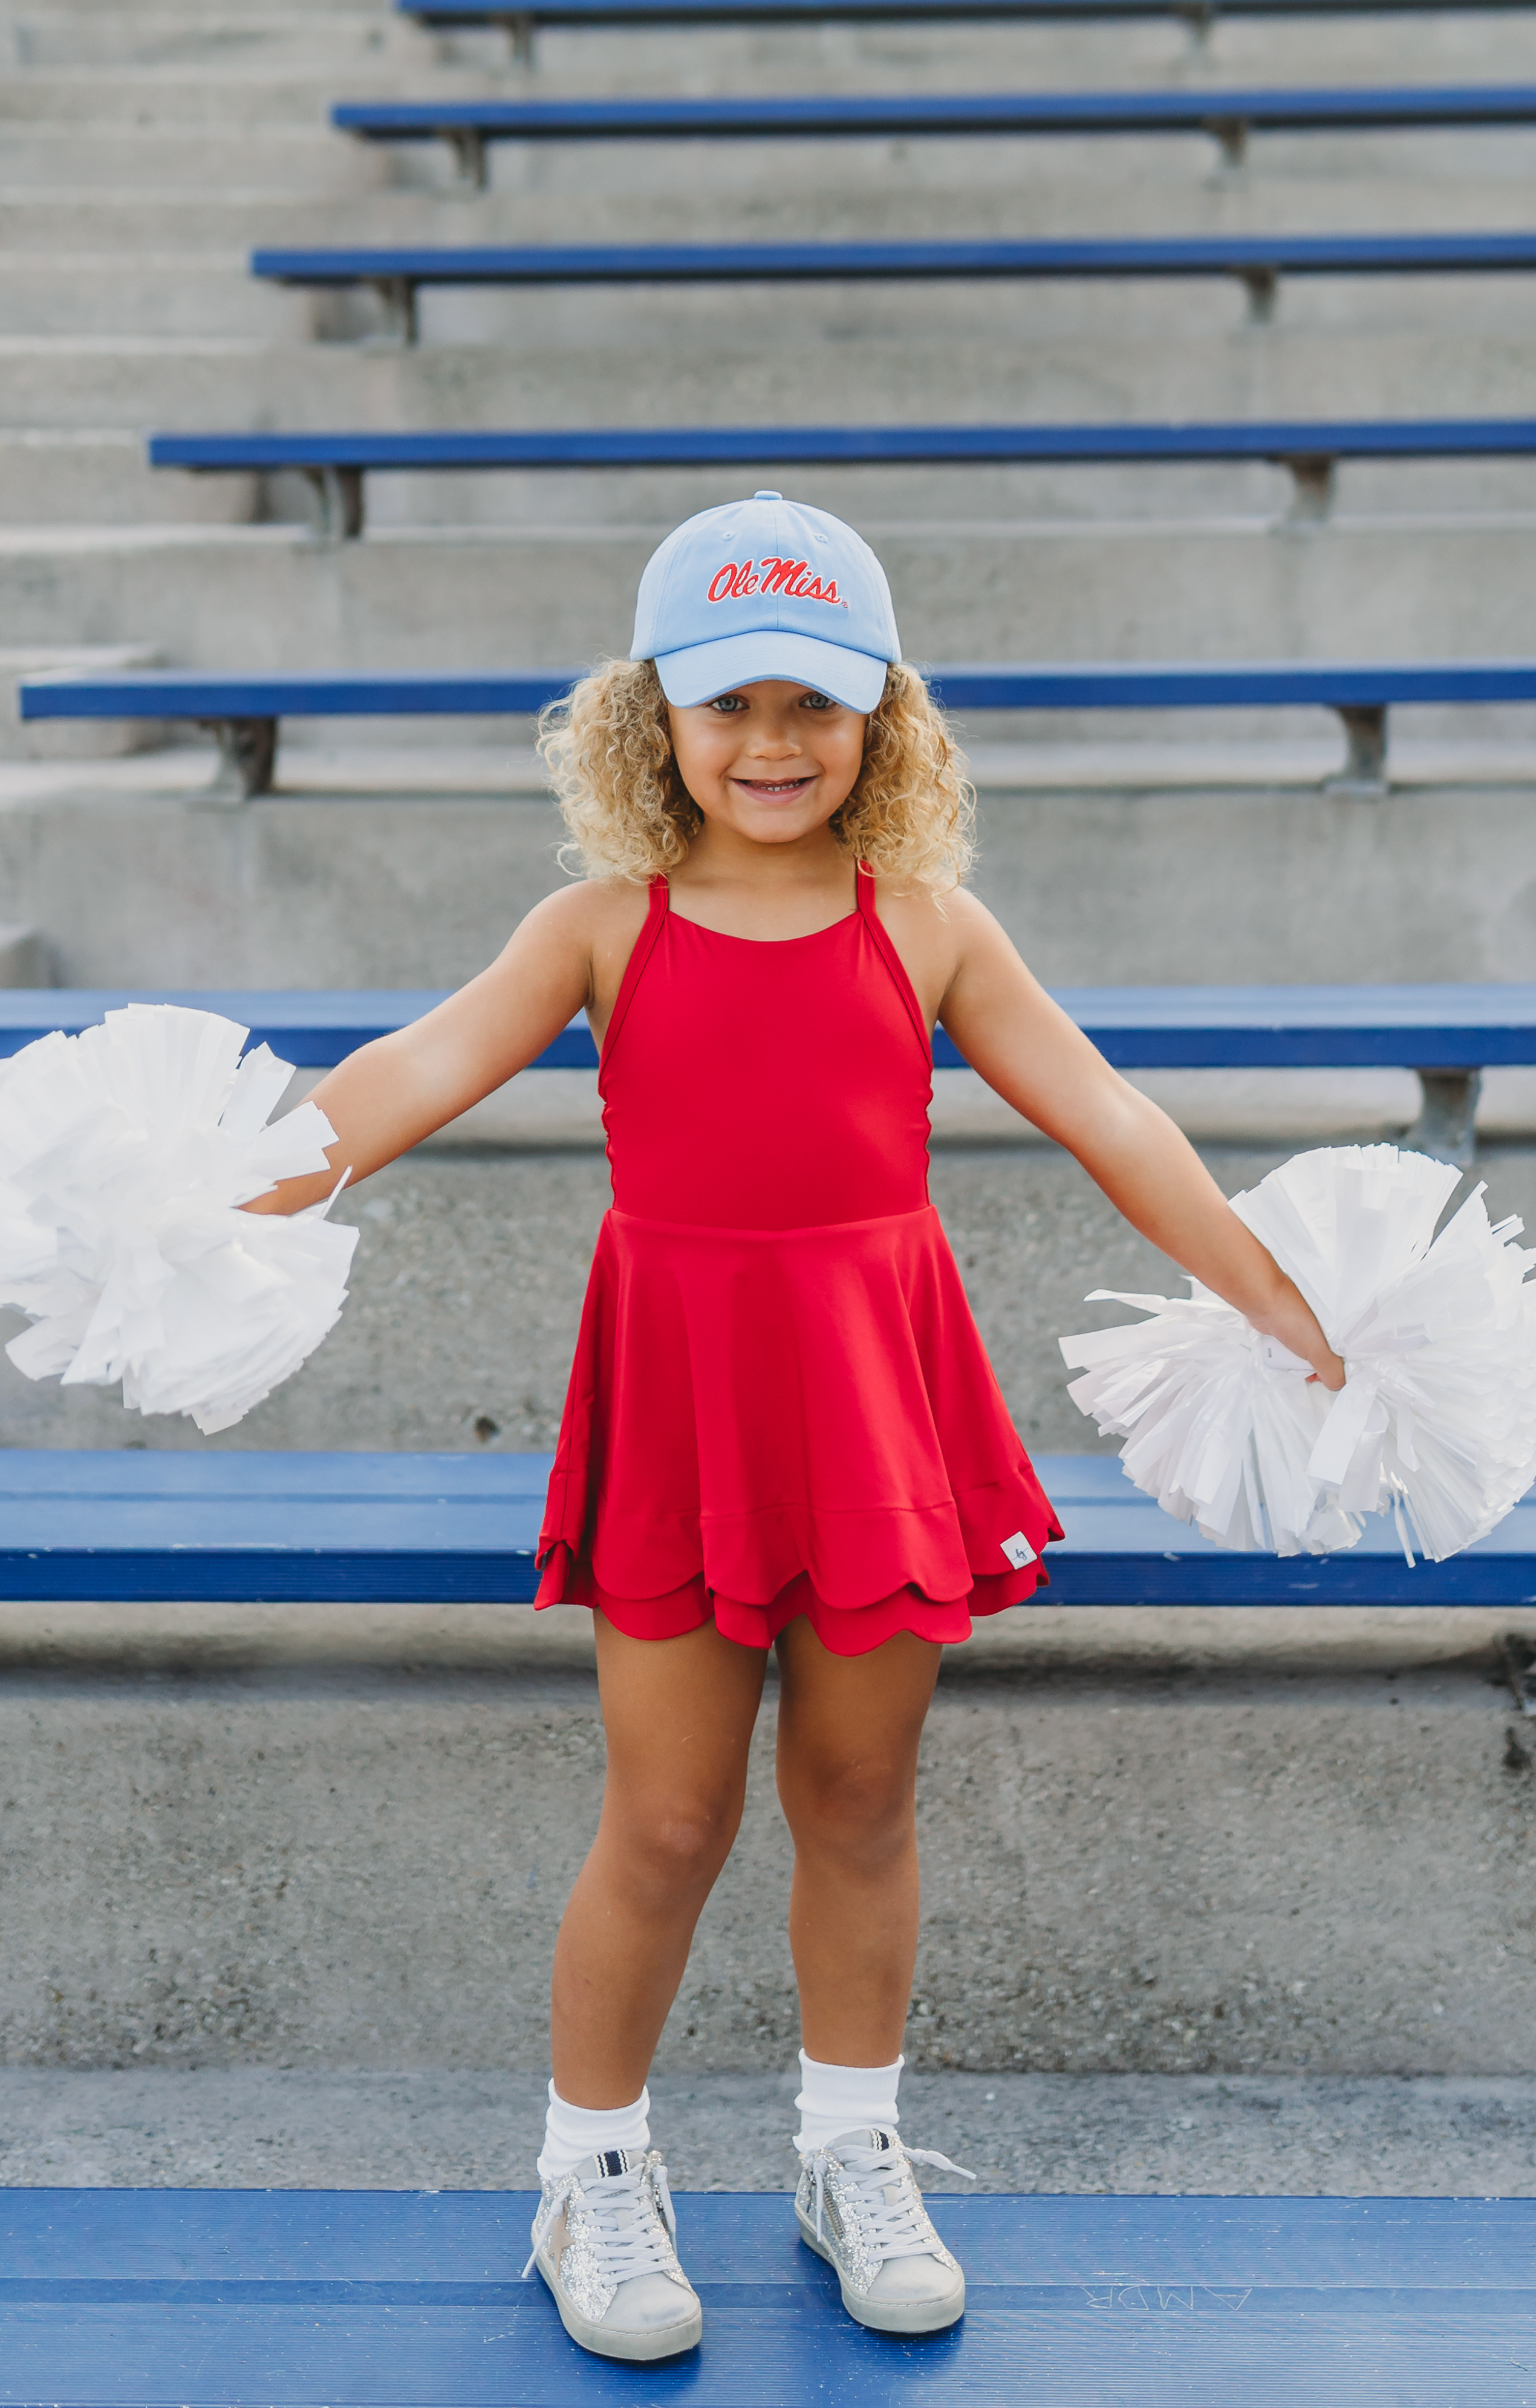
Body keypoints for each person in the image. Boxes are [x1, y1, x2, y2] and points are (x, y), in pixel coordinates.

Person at [254, 493, 1343, 2363]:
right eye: (728, 705)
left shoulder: (928, 926)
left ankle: (853, 2154)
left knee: (857, 1796)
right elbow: (407, 1073)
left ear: (885, 721)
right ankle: (590, 2175)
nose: (772, 746)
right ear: (648, 721)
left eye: (817, 706)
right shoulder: (601, 925)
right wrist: (225, 1194)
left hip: (868, 1399)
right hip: (684, 1402)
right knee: (668, 1817)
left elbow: (1111, 1117)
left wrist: (1280, 1297)